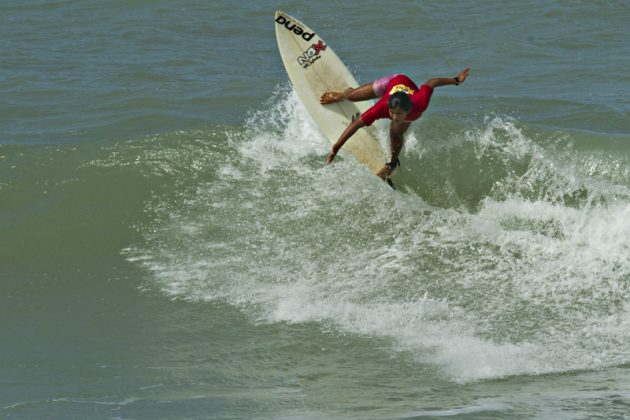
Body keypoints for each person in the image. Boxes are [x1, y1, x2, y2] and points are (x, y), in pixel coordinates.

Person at [321, 68, 470, 180]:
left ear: (407, 110)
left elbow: (432, 83)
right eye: (392, 113)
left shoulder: (420, 102)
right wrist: (336, 147)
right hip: (393, 82)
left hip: (407, 89)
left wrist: (456, 80)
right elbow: (357, 124)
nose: (394, 116)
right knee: (352, 96)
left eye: (398, 114)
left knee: (396, 133)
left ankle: (391, 164)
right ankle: (342, 95)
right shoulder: (383, 106)